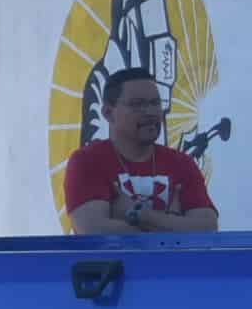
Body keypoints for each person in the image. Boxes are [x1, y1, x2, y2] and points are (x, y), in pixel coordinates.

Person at [65, 68, 221, 236]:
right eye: (137, 105)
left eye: (155, 103)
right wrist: (173, 224)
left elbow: (207, 228)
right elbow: (94, 233)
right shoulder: (88, 161)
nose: (150, 112)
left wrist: (139, 214)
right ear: (108, 113)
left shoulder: (182, 163)